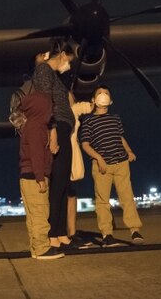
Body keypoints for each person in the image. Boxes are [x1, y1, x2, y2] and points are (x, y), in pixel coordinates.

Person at [79, 85, 145, 246]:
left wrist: (129, 151)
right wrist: (99, 159)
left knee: (127, 197)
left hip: (121, 162)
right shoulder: (88, 121)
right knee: (102, 201)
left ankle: (135, 230)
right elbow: (85, 144)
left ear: (111, 100)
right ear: (93, 100)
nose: (103, 95)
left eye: (106, 93)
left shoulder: (115, 118)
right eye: (100, 93)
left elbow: (120, 137)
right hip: (102, 166)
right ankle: (107, 234)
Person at [32, 41, 78, 250]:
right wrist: (52, 132)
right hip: (56, 128)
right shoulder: (44, 70)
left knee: (62, 182)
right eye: (68, 59)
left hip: (63, 128)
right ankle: (53, 234)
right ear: (61, 54)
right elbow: (44, 103)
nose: (68, 64)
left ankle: (60, 232)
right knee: (58, 182)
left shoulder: (52, 74)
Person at [19, 89, 64, 260]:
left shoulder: (30, 125)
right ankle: (43, 248)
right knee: (40, 212)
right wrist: (40, 178)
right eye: (49, 108)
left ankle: (36, 248)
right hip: (34, 176)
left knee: (33, 215)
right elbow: (36, 155)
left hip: (27, 176)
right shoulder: (37, 127)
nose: (51, 112)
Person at [67, 93, 93, 244]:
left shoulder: (74, 111)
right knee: (60, 196)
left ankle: (72, 232)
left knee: (72, 194)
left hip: (73, 156)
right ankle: (59, 232)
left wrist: (98, 100)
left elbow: (85, 107)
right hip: (59, 155)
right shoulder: (58, 111)